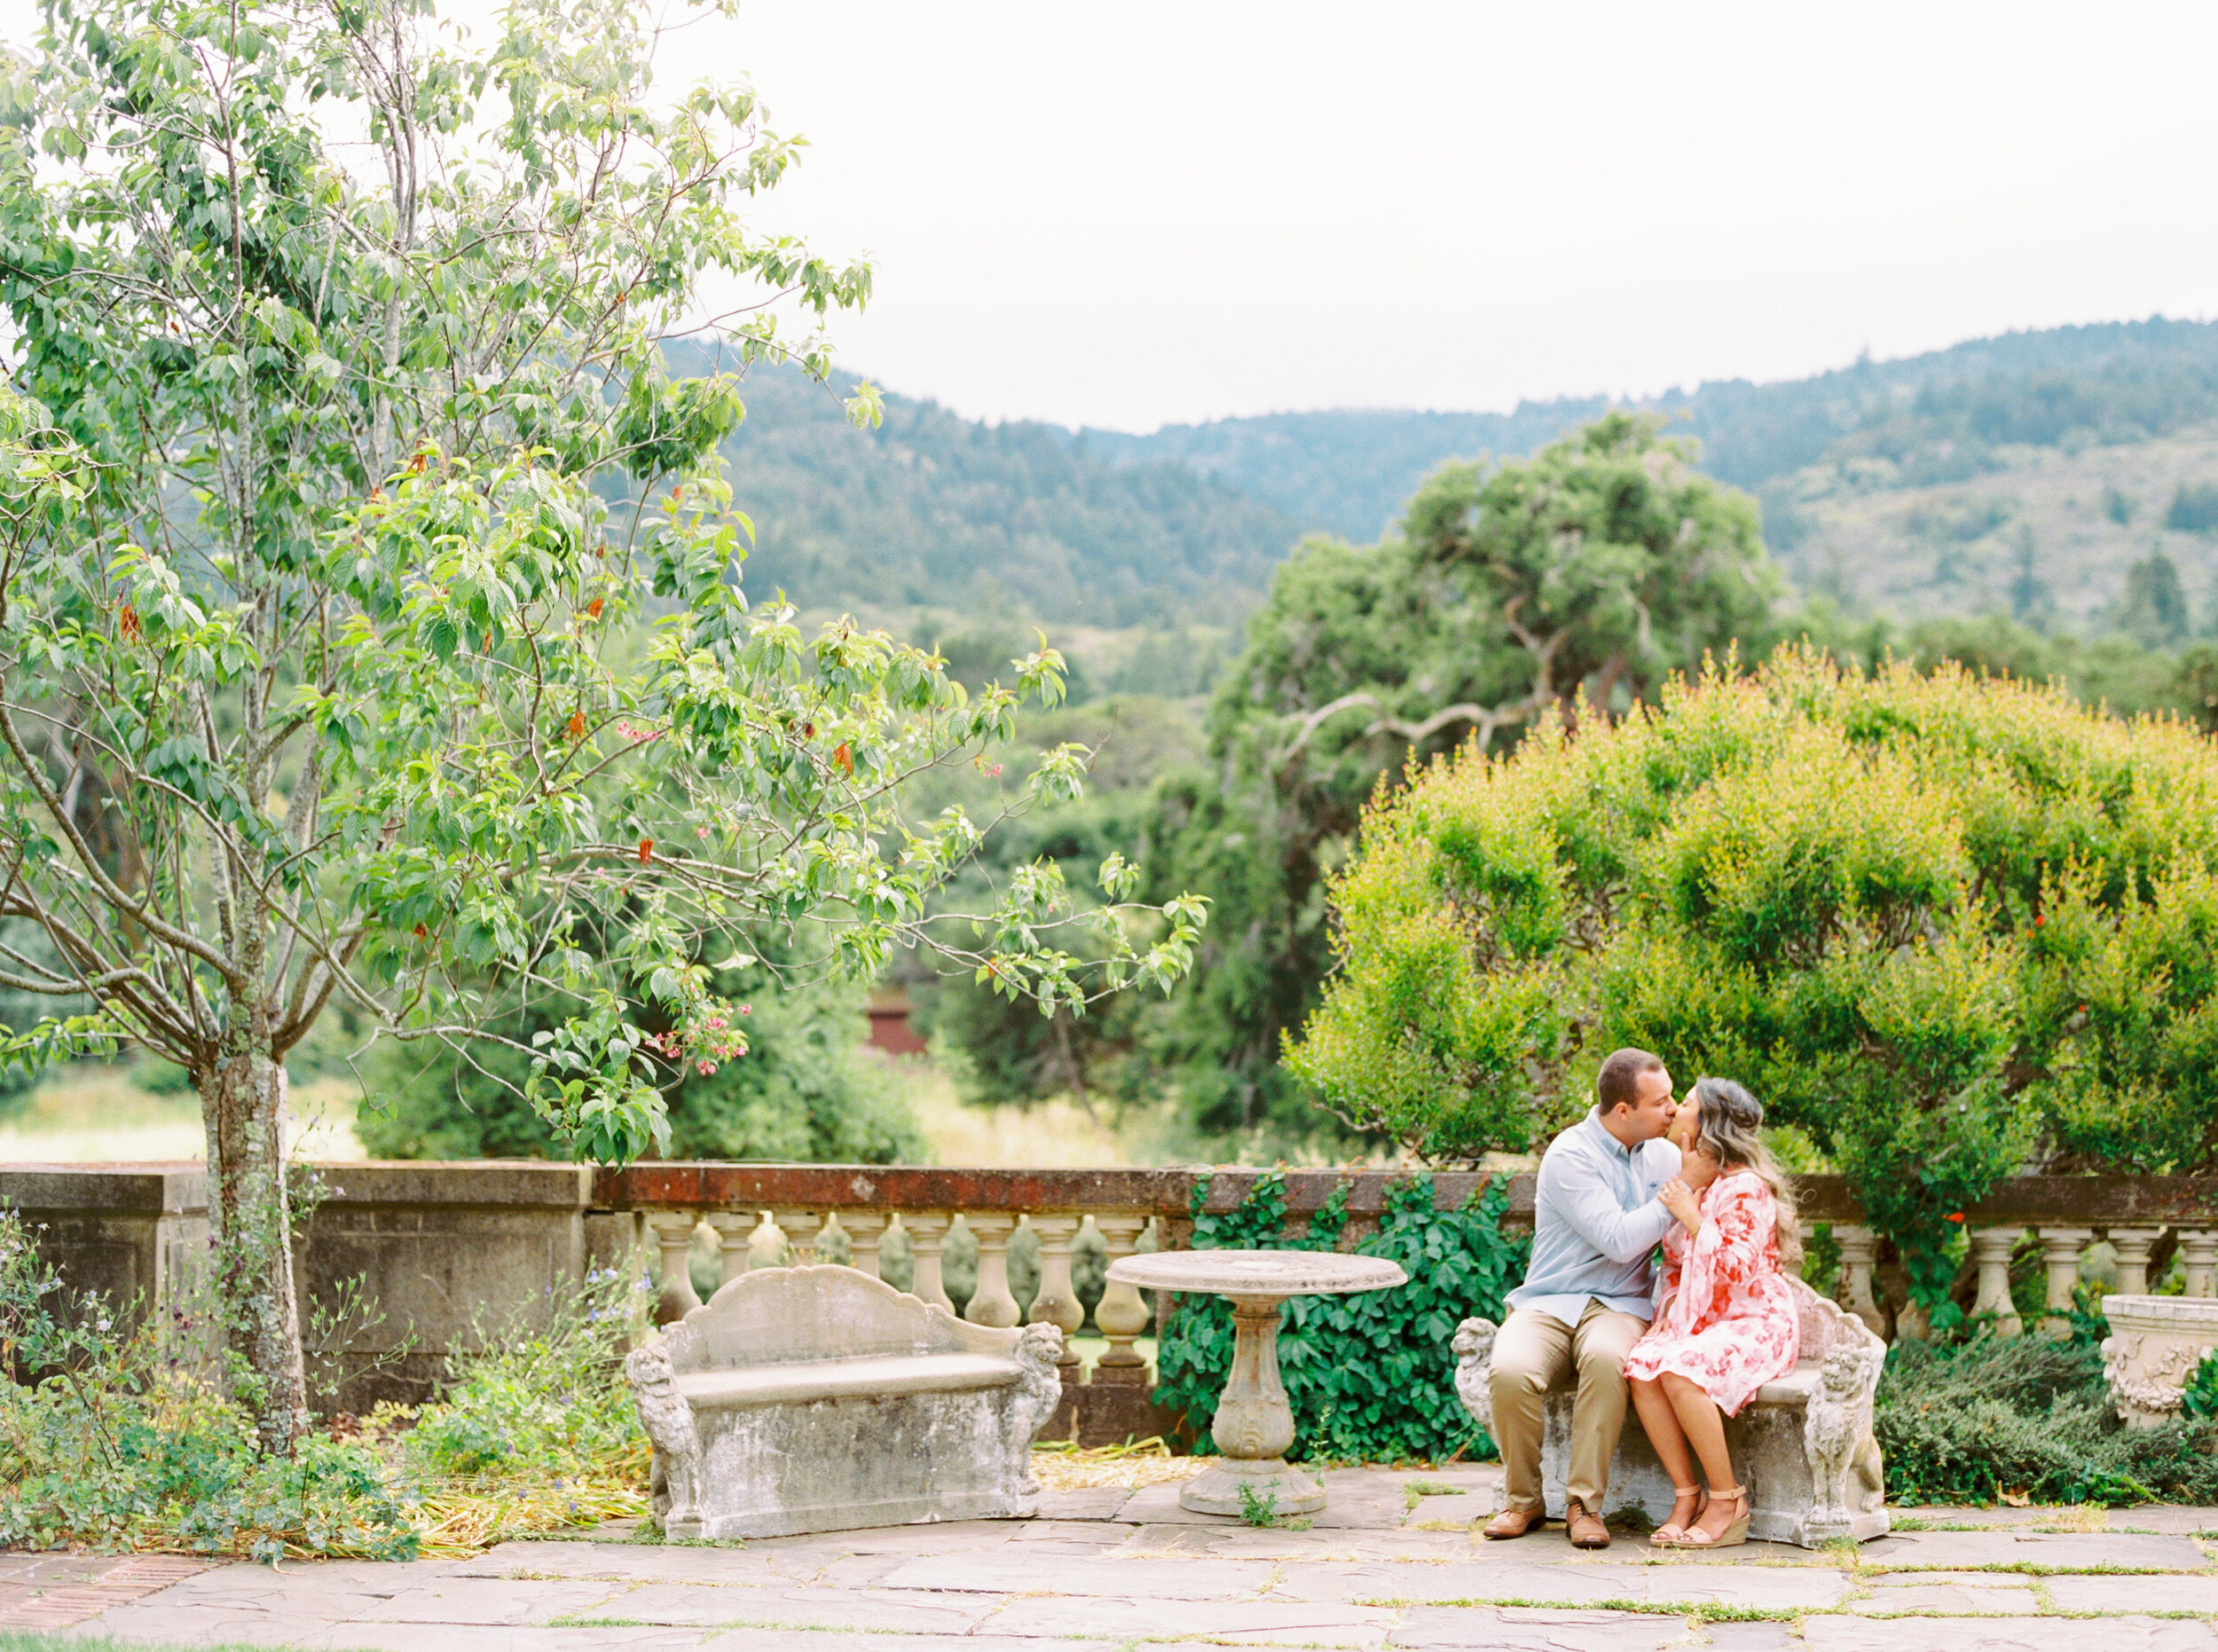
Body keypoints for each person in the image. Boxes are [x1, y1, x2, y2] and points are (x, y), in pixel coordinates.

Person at [1484, 1047, 1681, 1550]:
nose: (1673, 1109)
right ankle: (1524, 1502)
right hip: (1550, 1300)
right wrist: (1675, 1201)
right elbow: (1617, 1239)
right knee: (1509, 1368)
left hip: (1620, 1304)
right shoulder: (1570, 1154)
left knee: (1607, 1359)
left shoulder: (1665, 1153)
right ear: (1623, 1111)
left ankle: (1583, 1506)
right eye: (1661, 1102)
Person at [1624, 1076, 1802, 1549]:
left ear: (1708, 1122)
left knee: (1682, 1370)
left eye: (1683, 1104)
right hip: (1701, 1317)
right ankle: (1687, 1495)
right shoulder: (1698, 1184)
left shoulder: (1746, 1187)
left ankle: (1728, 1500)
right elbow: (1676, 1268)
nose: (1673, 1111)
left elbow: (1739, 1271)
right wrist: (1669, 1311)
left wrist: (1693, 1217)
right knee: (1642, 1367)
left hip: (1756, 1319)